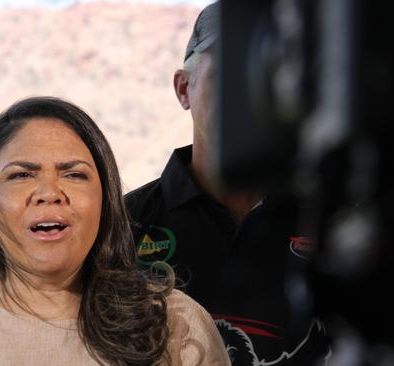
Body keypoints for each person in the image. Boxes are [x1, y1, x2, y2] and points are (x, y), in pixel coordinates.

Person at [0, 96, 231, 365]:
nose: (49, 193)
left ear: (105, 197)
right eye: (21, 174)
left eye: (74, 174)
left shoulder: (175, 323)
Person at [124, 3, 331, 365]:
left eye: (265, 73)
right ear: (183, 89)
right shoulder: (123, 224)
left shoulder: (329, 216)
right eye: (225, 75)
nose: (245, 94)